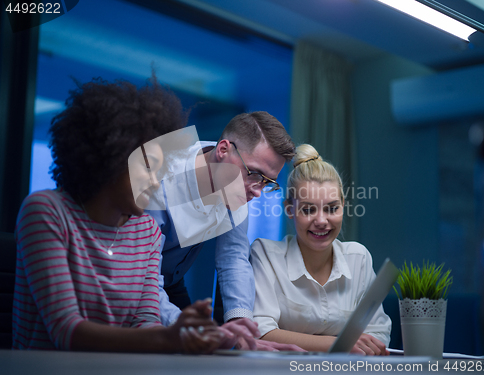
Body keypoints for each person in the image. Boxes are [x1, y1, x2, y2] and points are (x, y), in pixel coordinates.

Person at [12, 76, 234, 353]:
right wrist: (168, 339)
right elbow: (66, 331)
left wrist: (186, 334)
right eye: (149, 168)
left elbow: (146, 321)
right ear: (111, 157)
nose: (156, 183)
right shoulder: (46, 212)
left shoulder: (149, 232)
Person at [147, 112, 303, 350]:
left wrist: (241, 327)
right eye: (254, 173)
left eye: (267, 182)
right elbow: (143, 279)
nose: (258, 191)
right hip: (136, 280)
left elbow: (233, 258)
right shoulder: (160, 175)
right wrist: (193, 330)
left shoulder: (237, 186)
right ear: (223, 150)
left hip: (171, 281)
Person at [250, 144, 391, 355]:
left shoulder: (359, 258)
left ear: (343, 205)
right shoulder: (266, 254)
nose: (322, 221)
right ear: (290, 210)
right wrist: (337, 344)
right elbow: (260, 332)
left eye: (332, 208)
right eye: (308, 210)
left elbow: (377, 333)